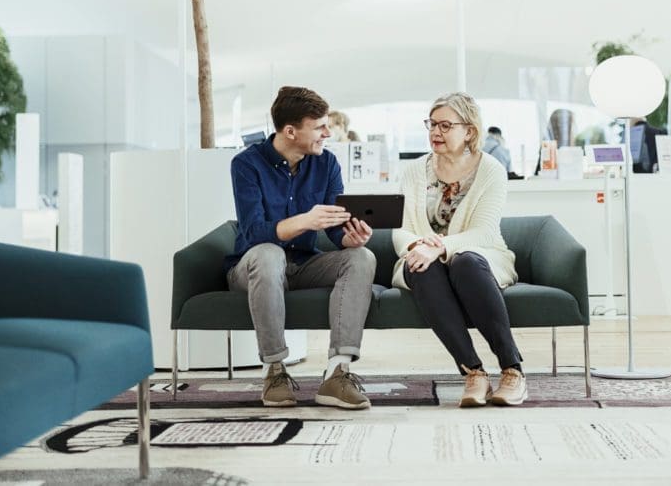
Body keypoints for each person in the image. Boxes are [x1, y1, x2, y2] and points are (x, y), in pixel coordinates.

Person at [225, 86, 377, 410]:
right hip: (254, 266)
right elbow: (253, 233)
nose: (327, 132)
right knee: (269, 253)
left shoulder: (327, 164)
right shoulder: (246, 165)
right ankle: (275, 372)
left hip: (305, 263)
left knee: (362, 257)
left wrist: (348, 238)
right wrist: (305, 220)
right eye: (319, 126)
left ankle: (338, 373)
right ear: (291, 131)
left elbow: (335, 228)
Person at [392, 92, 526, 408]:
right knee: (418, 267)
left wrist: (437, 247)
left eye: (445, 125)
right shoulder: (413, 170)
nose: (435, 132)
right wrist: (418, 248)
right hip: (422, 256)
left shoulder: (491, 169)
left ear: (469, 131)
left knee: (465, 262)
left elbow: (483, 232)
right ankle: (473, 371)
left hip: (481, 254)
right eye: (431, 124)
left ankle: (512, 370)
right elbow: (400, 229)